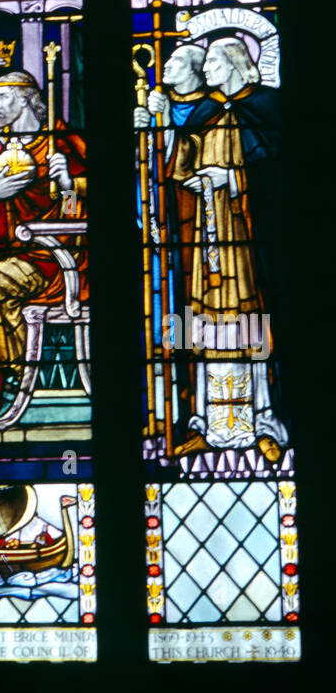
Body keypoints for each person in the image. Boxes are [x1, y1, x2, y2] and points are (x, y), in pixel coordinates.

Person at [0, 70, 86, 422]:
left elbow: (75, 217)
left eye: (3, 97)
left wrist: (68, 184)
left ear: (25, 99)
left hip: (48, 255)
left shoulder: (59, 147)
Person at [170, 36, 286, 461]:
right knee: (203, 323)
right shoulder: (204, 113)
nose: (207, 73)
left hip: (249, 245)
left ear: (237, 64)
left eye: (214, 65)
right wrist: (196, 180)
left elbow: (285, 178)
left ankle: (264, 421)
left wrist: (234, 181)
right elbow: (178, 168)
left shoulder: (269, 109)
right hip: (207, 239)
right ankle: (203, 422)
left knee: (253, 321)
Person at [134, 44, 206, 440]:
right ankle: (161, 415)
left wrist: (164, 125)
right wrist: (144, 128)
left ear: (195, 71)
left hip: (198, 235)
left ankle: (195, 412)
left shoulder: (212, 111)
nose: (167, 67)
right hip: (161, 237)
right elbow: (145, 170)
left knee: (195, 322)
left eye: (176, 61)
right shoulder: (162, 106)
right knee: (162, 324)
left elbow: (189, 160)